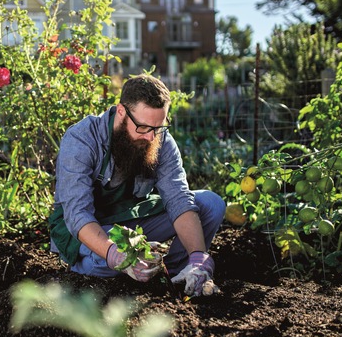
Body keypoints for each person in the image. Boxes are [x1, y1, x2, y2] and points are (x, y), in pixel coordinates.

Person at [48, 73, 226, 296]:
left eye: (158, 127)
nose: (151, 137)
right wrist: (115, 255)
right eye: (143, 127)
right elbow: (77, 214)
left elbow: (179, 199)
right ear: (121, 111)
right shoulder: (82, 139)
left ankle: (179, 275)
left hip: (131, 220)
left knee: (211, 204)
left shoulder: (160, 140)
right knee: (109, 262)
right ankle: (84, 268)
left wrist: (199, 257)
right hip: (87, 228)